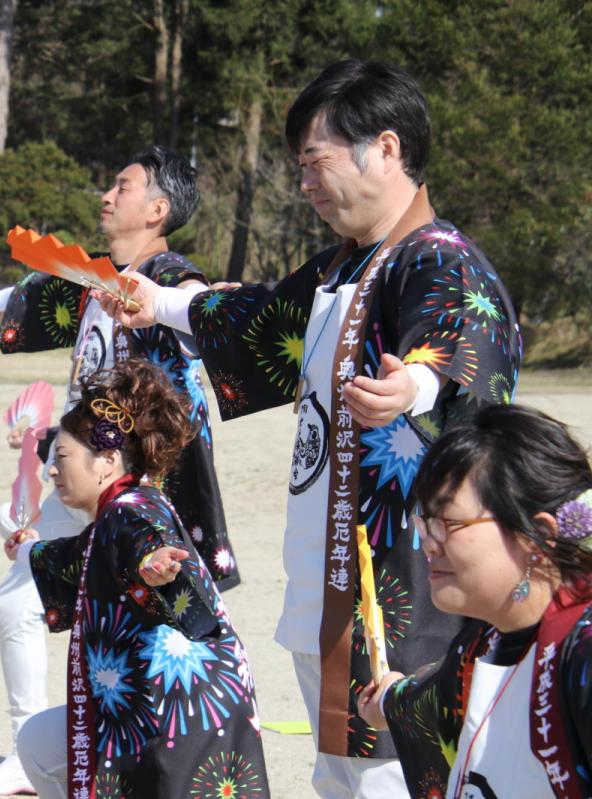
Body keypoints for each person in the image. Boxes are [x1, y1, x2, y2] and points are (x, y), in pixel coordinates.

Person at [102, 61, 522, 797]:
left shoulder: (439, 257)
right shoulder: (339, 268)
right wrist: (157, 302)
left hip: (397, 589)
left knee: (388, 774)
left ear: (385, 149)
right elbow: (259, 317)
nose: (303, 183)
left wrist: (412, 385)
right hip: (326, 579)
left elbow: (455, 338)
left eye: (314, 161)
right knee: (340, 775)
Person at [0, 146, 239, 796]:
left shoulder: (165, 277)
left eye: (123, 186)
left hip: (142, 498)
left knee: (159, 634)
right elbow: (26, 298)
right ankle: (32, 755)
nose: (106, 196)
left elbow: (196, 301)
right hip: (84, 480)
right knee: (19, 598)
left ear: (158, 209)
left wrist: (212, 302)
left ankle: (157, 765)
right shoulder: (94, 278)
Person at [5, 361, 268, 799]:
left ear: (107, 461)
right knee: (39, 742)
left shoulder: (130, 513)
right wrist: (30, 551)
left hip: (173, 710)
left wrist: (154, 564)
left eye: (62, 458)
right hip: (183, 701)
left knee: (43, 745)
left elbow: (142, 543)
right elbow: (84, 555)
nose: (51, 470)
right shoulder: (131, 503)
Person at [356, 405, 592, 799]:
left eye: (448, 523)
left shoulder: (583, 654)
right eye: (425, 522)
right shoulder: (481, 644)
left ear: (538, 535)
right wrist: (388, 704)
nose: (428, 544)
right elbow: (428, 696)